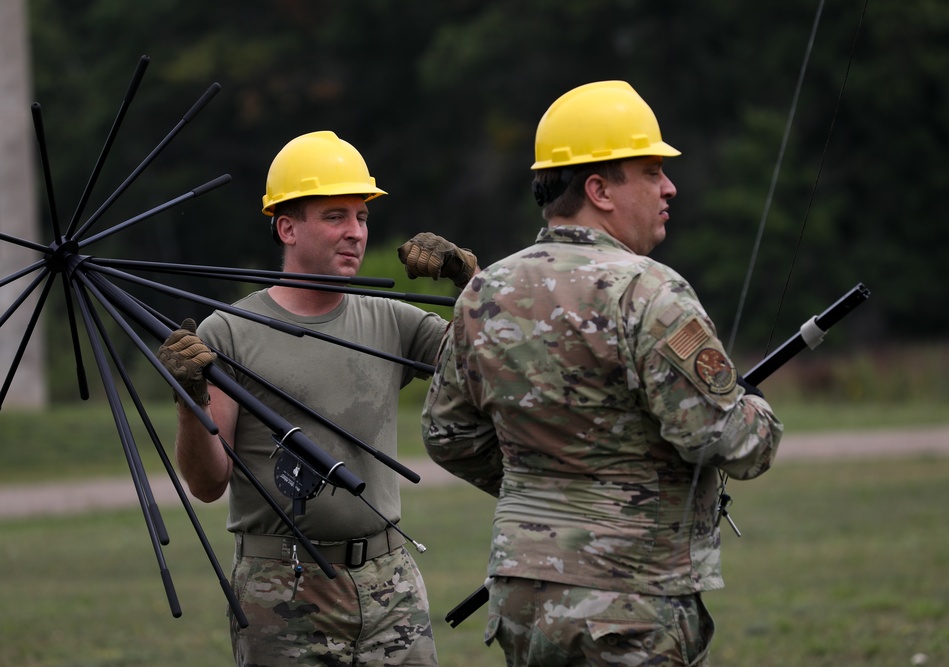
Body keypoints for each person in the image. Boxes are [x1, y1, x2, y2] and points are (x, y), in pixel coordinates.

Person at [421, 81, 784, 666]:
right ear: (598, 189)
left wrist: (544, 491)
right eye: (649, 171)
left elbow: (448, 436)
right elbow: (728, 440)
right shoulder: (649, 290)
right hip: (631, 599)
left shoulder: (484, 291)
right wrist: (755, 411)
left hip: (523, 599)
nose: (670, 187)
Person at [156, 130, 477, 666]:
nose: (354, 232)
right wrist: (190, 402)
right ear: (287, 226)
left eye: (362, 216)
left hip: (390, 581)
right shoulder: (229, 332)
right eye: (335, 216)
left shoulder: (390, 320)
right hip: (281, 586)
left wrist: (470, 280)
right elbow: (207, 483)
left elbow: (495, 359)